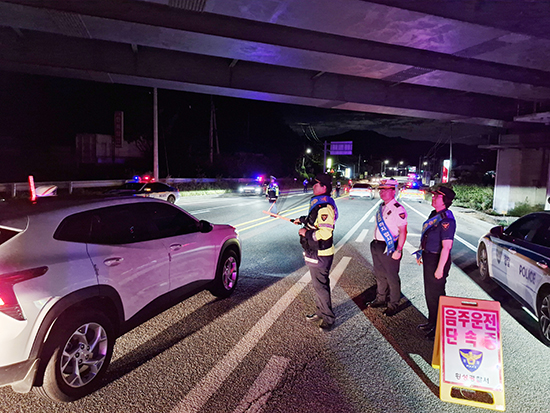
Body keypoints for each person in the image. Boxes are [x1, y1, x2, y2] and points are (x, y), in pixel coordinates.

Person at [294, 173, 338, 331]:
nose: (313, 186)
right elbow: (314, 220)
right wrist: (302, 220)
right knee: (318, 285)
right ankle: (321, 311)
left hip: (321, 252)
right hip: (315, 251)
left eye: (317, 184)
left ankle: (328, 318)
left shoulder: (325, 207)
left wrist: (305, 233)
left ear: (324, 187)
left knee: (321, 286)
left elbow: (325, 233)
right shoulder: (319, 205)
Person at [415, 186, 456, 340]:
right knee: (429, 293)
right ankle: (431, 322)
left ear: (444, 200)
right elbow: (427, 236)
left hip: (438, 259)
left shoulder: (447, 220)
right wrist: (421, 252)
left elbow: (447, 247)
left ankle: (439, 327)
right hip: (429, 257)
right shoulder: (434, 214)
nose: (433, 198)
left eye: (436, 196)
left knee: (437, 295)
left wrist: (440, 269)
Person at [367, 179, 408, 317]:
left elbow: (403, 231)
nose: (382, 192)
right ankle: (380, 299)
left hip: (389, 246)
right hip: (377, 244)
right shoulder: (382, 207)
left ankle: (393, 304)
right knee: (379, 274)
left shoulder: (398, 209)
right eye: (381, 190)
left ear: (393, 191)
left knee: (391, 277)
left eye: (385, 190)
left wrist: (399, 249)